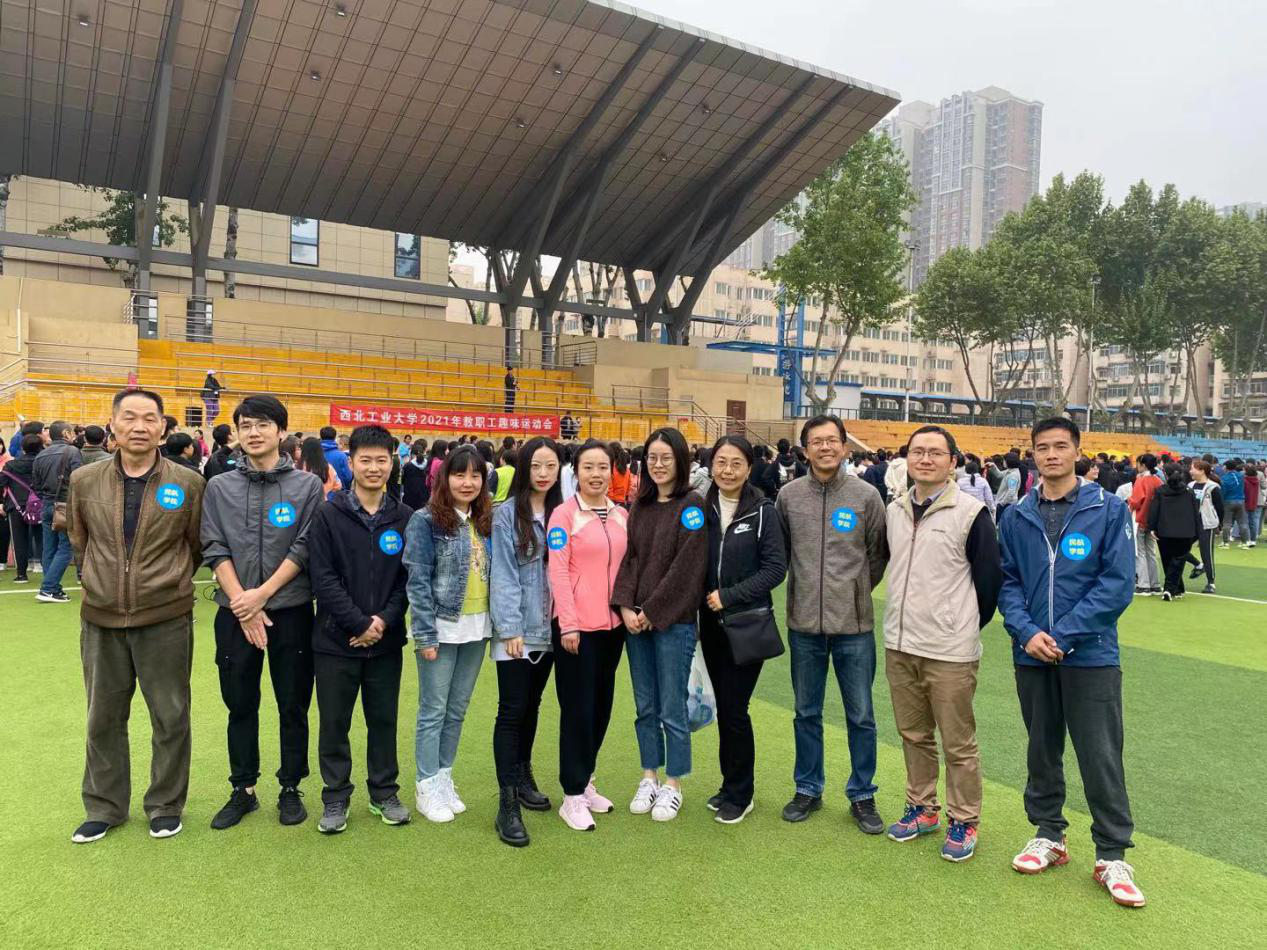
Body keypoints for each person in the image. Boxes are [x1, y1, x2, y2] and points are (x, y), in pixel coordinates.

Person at [997, 417, 1143, 908]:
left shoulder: (1109, 508)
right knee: (1041, 749)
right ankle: (1048, 834)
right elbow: (1008, 582)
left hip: (1091, 655)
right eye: (1042, 447)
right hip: (1032, 654)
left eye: (1061, 446)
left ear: (1078, 451)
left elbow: (1116, 584)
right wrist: (1027, 633)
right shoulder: (1016, 515)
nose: (1051, 454)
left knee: (1100, 754)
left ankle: (1112, 854)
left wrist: (1062, 636)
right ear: (1033, 455)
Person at [67, 389, 206, 843]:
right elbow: (79, 540)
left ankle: (165, 805)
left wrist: (167, 581)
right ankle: (104, 807)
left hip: (165, 617)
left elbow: (195, 545)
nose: (140, 426)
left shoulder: (188, 483)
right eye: (129, 417)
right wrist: (98, 580)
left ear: (163, 428)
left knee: (170, 715)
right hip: (101, 617)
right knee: (102, 717)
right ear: (113, 424)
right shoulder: (84, 480)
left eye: (149, 418)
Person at [201, 395, 324, 831]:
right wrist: (243, 604)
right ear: (236, 432)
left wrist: (263, 596)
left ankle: (290, 785)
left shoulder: (307, 487)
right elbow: (213, 545)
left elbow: (305, 546)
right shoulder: (219, 487)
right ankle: (243, 788)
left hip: (291, 611)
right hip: (234, 613)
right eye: (246, 425)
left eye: (263, 424)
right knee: (240, 704)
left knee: (293, 703)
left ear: (281, 431)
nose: (254, 433)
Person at [883, 426, 1001, 863]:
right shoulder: (894, 510)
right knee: (913, 734)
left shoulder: (971, 513)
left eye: (935, 453)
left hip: (949, 649)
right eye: (918, 452)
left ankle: (964, 819)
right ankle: (922, 808)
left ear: (953, 461)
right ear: (907, 459)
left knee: (958, 742)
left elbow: (989, 582)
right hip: (901, 643)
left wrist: (960, 623)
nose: (926, 459)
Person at [775, 415, 888, 834]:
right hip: (804, 625)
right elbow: (781, 553)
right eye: (816, 441)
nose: (825, 448)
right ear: (805, 449)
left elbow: (877, 555)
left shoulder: (866, 496)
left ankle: (862, 794)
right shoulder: (788, 497)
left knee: (861, 715)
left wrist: (853, 592)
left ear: (844, 446)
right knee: (806, 712)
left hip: (854, 628)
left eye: (832, 440)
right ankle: (808, 787)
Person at [308, 424, 414, 834]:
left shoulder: (404, 517)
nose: (373, 468)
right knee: (334, 723)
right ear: (350, 463)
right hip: (335, 641)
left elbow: (407, 580)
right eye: (365, 460)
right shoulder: (328, 513)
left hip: (385, 642)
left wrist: (381, 621)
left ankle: (384, 791)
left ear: (392, 463)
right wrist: (357, 623)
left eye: (381, 460)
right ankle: (335, 796)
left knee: (383, 720)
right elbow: (323, 577)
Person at [613, 427, 709, 822]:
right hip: (636, 623)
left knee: (672, 706)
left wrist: (653, 610)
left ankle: (673, 783)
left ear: (680, 460)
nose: (658, 464)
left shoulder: (692, 505)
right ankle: (649, 775)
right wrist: (625, 606)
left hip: (674, 623)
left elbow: (688, 568)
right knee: (645, 705)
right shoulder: (641, 504)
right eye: (652, 457)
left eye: (666, 457)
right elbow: (631, 559)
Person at [699, 435, 787, 824]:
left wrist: (729, 596)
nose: (728, 470)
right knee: (725, 708)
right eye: (721, 462)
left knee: (735, 708)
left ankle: (741, 793)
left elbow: (775, 569)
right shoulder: (701, 508)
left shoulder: (763, 511)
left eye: (736, 463)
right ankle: (728, 784)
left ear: (749, 468)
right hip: (710, 626)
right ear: (711, 465)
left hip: (746, 624)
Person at [404, 444, 493, 823]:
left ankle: (443, 778)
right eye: (460, 474)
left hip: (478, 627)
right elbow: (417, 580)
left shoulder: (485, 519)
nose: (467, 482)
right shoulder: (425, 521)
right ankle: (426, 785)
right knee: (433, 710)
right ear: (445, 478)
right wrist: (425, 634)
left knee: (456, 710)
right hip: (441, 628)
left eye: (475, 475)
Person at [547, 439, 630, 831]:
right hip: (575, 630)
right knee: (577, 711)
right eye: (588, 467)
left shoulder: (621, 514)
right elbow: (558, 571)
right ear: (576, 472)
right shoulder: (564, 516)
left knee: (600, 708)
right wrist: (568, 623)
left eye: (602, 467)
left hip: (612, 629)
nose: (596, 475)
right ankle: (572, 794)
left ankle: (587, 780)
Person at [489, 436, 563, 846]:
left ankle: (522, 776)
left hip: (551, 628)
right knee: (512, 709)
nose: (543, 473)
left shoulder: (563, 513)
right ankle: (507, 804)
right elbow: (502, 573)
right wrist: (510, 629)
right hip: (517, 630)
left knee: (532, 705)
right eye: (536, 466)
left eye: (551, 466)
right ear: (523, 469)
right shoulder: (506, 514)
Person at [32, 420, 82, 603]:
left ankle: (52, 587)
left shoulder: (41, 455)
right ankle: (49, 588)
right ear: (66, 433)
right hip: (65, 504)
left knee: (49, 548)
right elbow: (79, 480)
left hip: (47, 503)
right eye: (71, 432)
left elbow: (36, 485)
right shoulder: (72, 451)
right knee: (66, 547)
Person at [1147, 463, 1200, 602]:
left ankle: (1172, 589)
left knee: (1167, 560)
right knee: (1178, 561)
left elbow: (1154, 510)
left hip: (1164, 530)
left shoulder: (1160, 491)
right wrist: (1197, 530)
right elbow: (1195, 512)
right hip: (1185, 531)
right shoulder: (1189, 491)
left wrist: (1151, 527)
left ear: (1165, 474)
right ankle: (1173, 589)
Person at [1, 433, 43, 583]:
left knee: (19, 540)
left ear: (22, 448)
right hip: (40, 505)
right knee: (42, 538)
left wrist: (2, 502)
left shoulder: (11, 465)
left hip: (16, 505)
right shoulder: (43, 462)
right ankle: (47, 571)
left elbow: (1, 483)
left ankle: (21, 574)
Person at [1127, 454, 1162, 595]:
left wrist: (1129, 500)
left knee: (1140, 552)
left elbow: (1136, 502)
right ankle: (1155, 584)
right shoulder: (1158, 480)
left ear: (1143, 465)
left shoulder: (1141, 480)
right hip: (1153, 521)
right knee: (1151, 553)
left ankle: (1143, 585)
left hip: (1140, 518)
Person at [1187, 460, 1223, 593]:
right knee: (1180, 548)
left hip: (1206, 523)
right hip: (1191, 523)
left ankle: (1211, 583)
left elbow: (1220, 508)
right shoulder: (1190, 485)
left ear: (1202, 471)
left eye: (1193, 469)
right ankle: (1198, 565)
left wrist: (1219, 524)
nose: (1190, 471)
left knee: (1206, 553)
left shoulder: (1213, 487)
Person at [1218, 459, 1249, 548]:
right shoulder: (1241, 476)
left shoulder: (1224, 478)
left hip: (1229, 501)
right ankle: (1244, 543)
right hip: (1241, 500)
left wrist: (1222, 501)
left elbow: (1223, 491)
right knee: (1242, 522)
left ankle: (1225, 542)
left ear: (1226, 467)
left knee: (1227, 523)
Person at [299, 435, 340, 499]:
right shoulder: (328, 467)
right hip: (324, 502)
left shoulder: (298, 467)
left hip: (302, 502)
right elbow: (338, 485)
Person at [320, 426, 354, 491]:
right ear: (334, 437)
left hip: (319, 492)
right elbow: (348, 477)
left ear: (321, 437)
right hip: (338, 492)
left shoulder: (315, 454)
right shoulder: (342, 455)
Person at [402, 440, 431, 510]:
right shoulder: (428, 464)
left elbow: (402, 481)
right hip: (424, 496)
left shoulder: (407, 466)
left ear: (412, 454)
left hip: (409, 496)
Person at [995, 452, 1023, 522]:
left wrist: (1002, 503)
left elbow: (1011, 491)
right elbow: (999, 475)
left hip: (1007, 504)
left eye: (1004, 460)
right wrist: (993, 466)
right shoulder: (1010, 471)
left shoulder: (1013, 476)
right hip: (1004, 503)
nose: (1003, 462)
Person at [607, 442, 631, 507]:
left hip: (612, 503)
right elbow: (629, 487)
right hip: (623, 502)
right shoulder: (627, 469)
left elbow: (609, 488)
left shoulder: (610, 468)